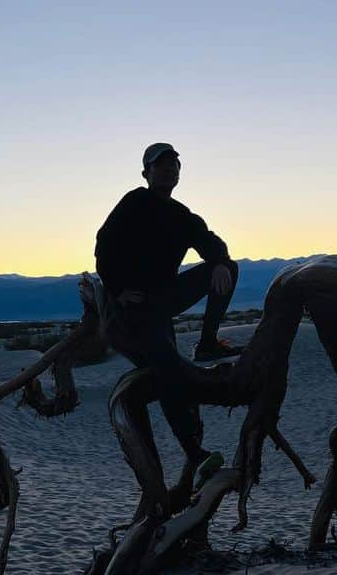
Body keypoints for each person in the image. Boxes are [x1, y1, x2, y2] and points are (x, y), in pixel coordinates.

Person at [94, 142, 243, 489]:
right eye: (160, 165)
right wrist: (117, 289)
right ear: (146, 173)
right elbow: (104, 245)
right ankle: (195, 452)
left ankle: (207, 343)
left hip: (164, 299)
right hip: (136, 306)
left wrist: (219, 261)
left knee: (227, 268)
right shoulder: (135, 202)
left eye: (174, 164)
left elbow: (208, 241)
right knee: (169, 370)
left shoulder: (181, 215)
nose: (169, 169)